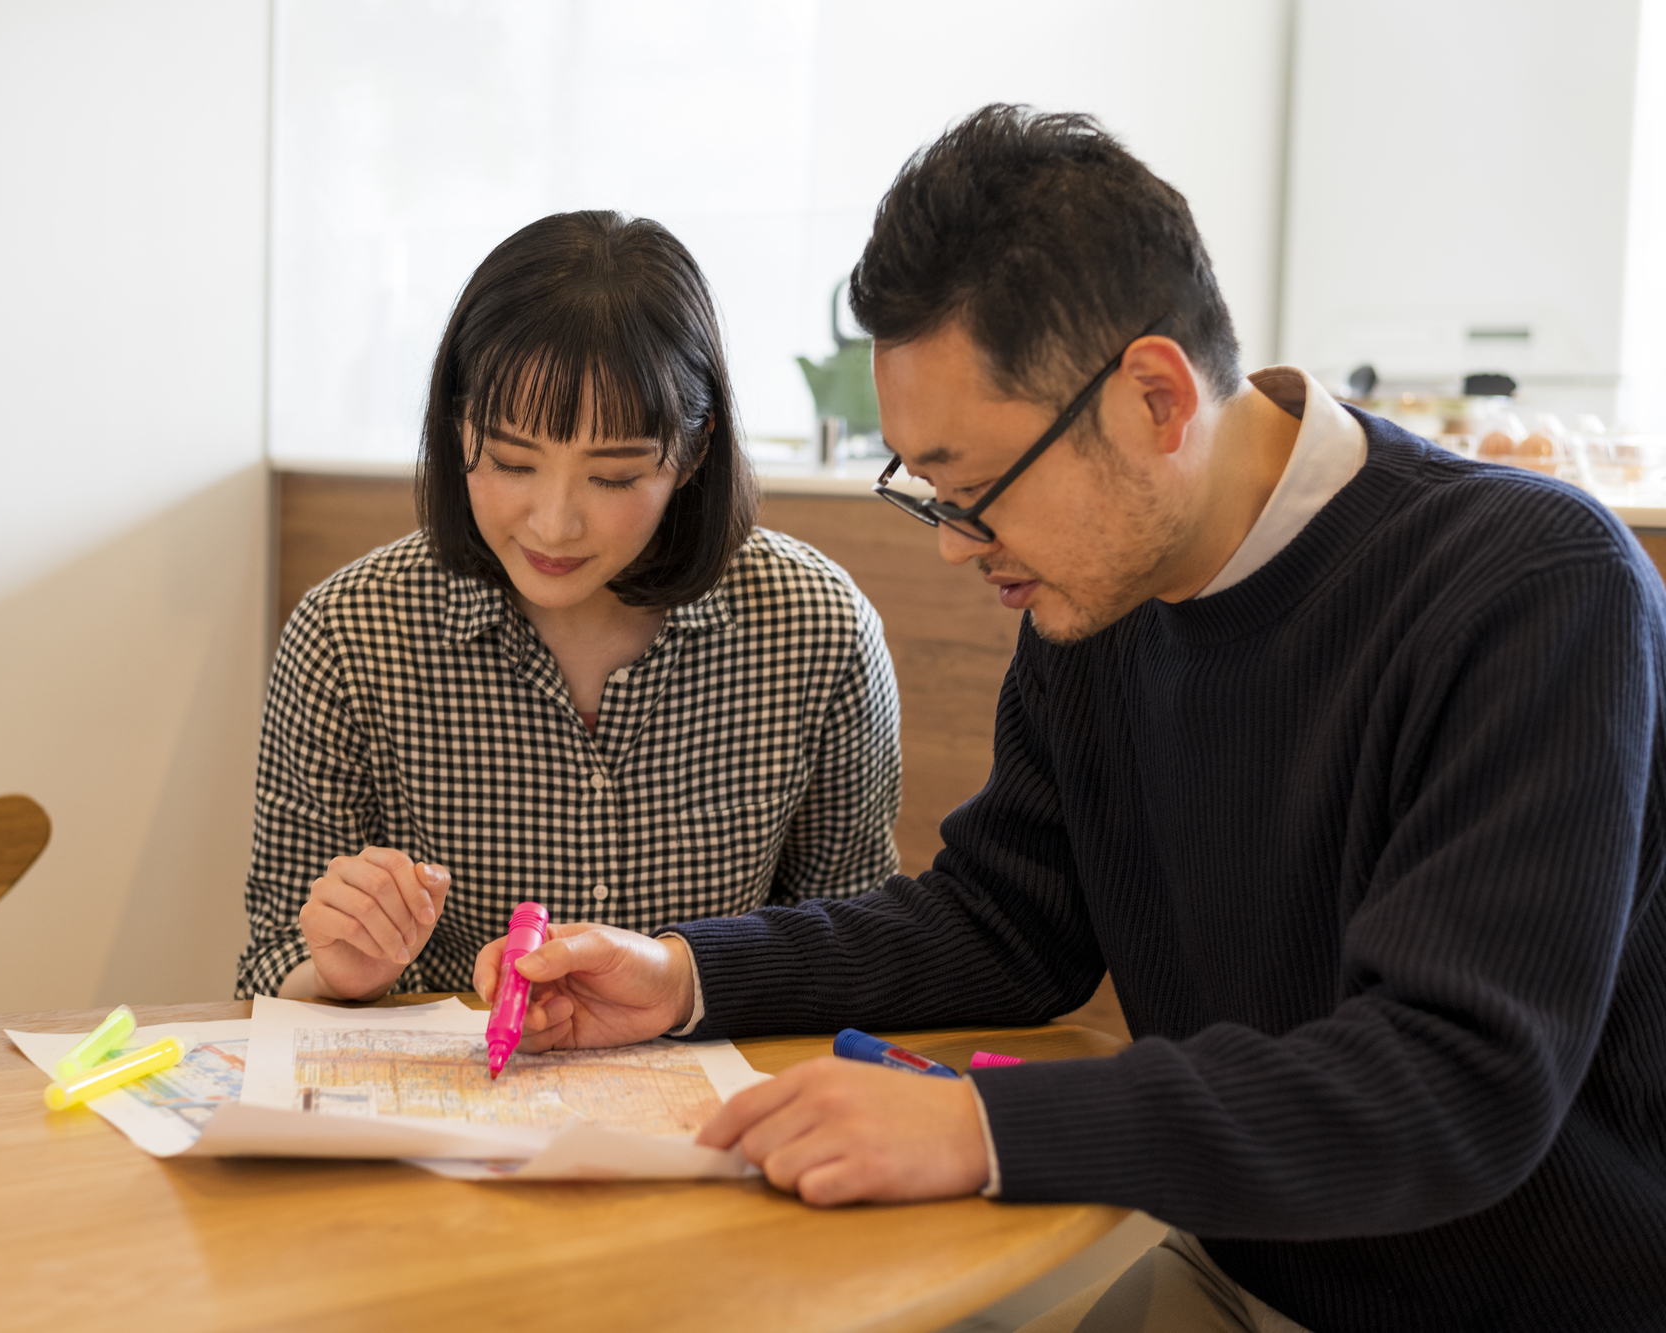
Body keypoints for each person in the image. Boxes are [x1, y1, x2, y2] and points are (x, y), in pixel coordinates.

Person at [473, 109, 1666, 1332]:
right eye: (926, 491)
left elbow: (1455, 1084)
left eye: (973, 487)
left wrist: (982, 1126)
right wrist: (681, 975)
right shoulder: (1097, 595)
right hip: (1237, 1271)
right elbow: (1006, 920)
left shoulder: (1530, 587)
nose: (953, 546)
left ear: (1152, 396)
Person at [238, 210, 901, 1002]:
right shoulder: (347, 634)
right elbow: (267, 966)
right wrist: (338, 972)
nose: (553, 522)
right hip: (449, 1113)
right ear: (457, 427)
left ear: (692, 452)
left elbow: (860, 952)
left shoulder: (816, 630)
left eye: (614, 477)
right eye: (513, 460)